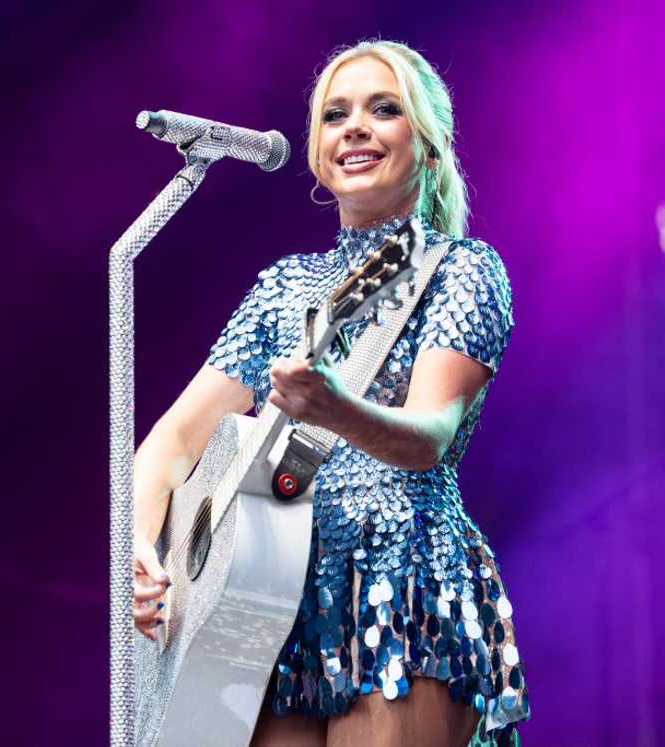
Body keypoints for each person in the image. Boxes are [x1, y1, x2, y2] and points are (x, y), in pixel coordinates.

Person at [132, 39, 529, 747]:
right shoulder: (282, 288)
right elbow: (169, 443)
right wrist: (140, 553)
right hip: (268, 601)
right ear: (316, 153)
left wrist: (335, 408)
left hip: (401, 586)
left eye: (384, 109)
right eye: (335, 114)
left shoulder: (462, 269)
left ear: (430, 144)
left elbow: (430, 436)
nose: (354, 127)